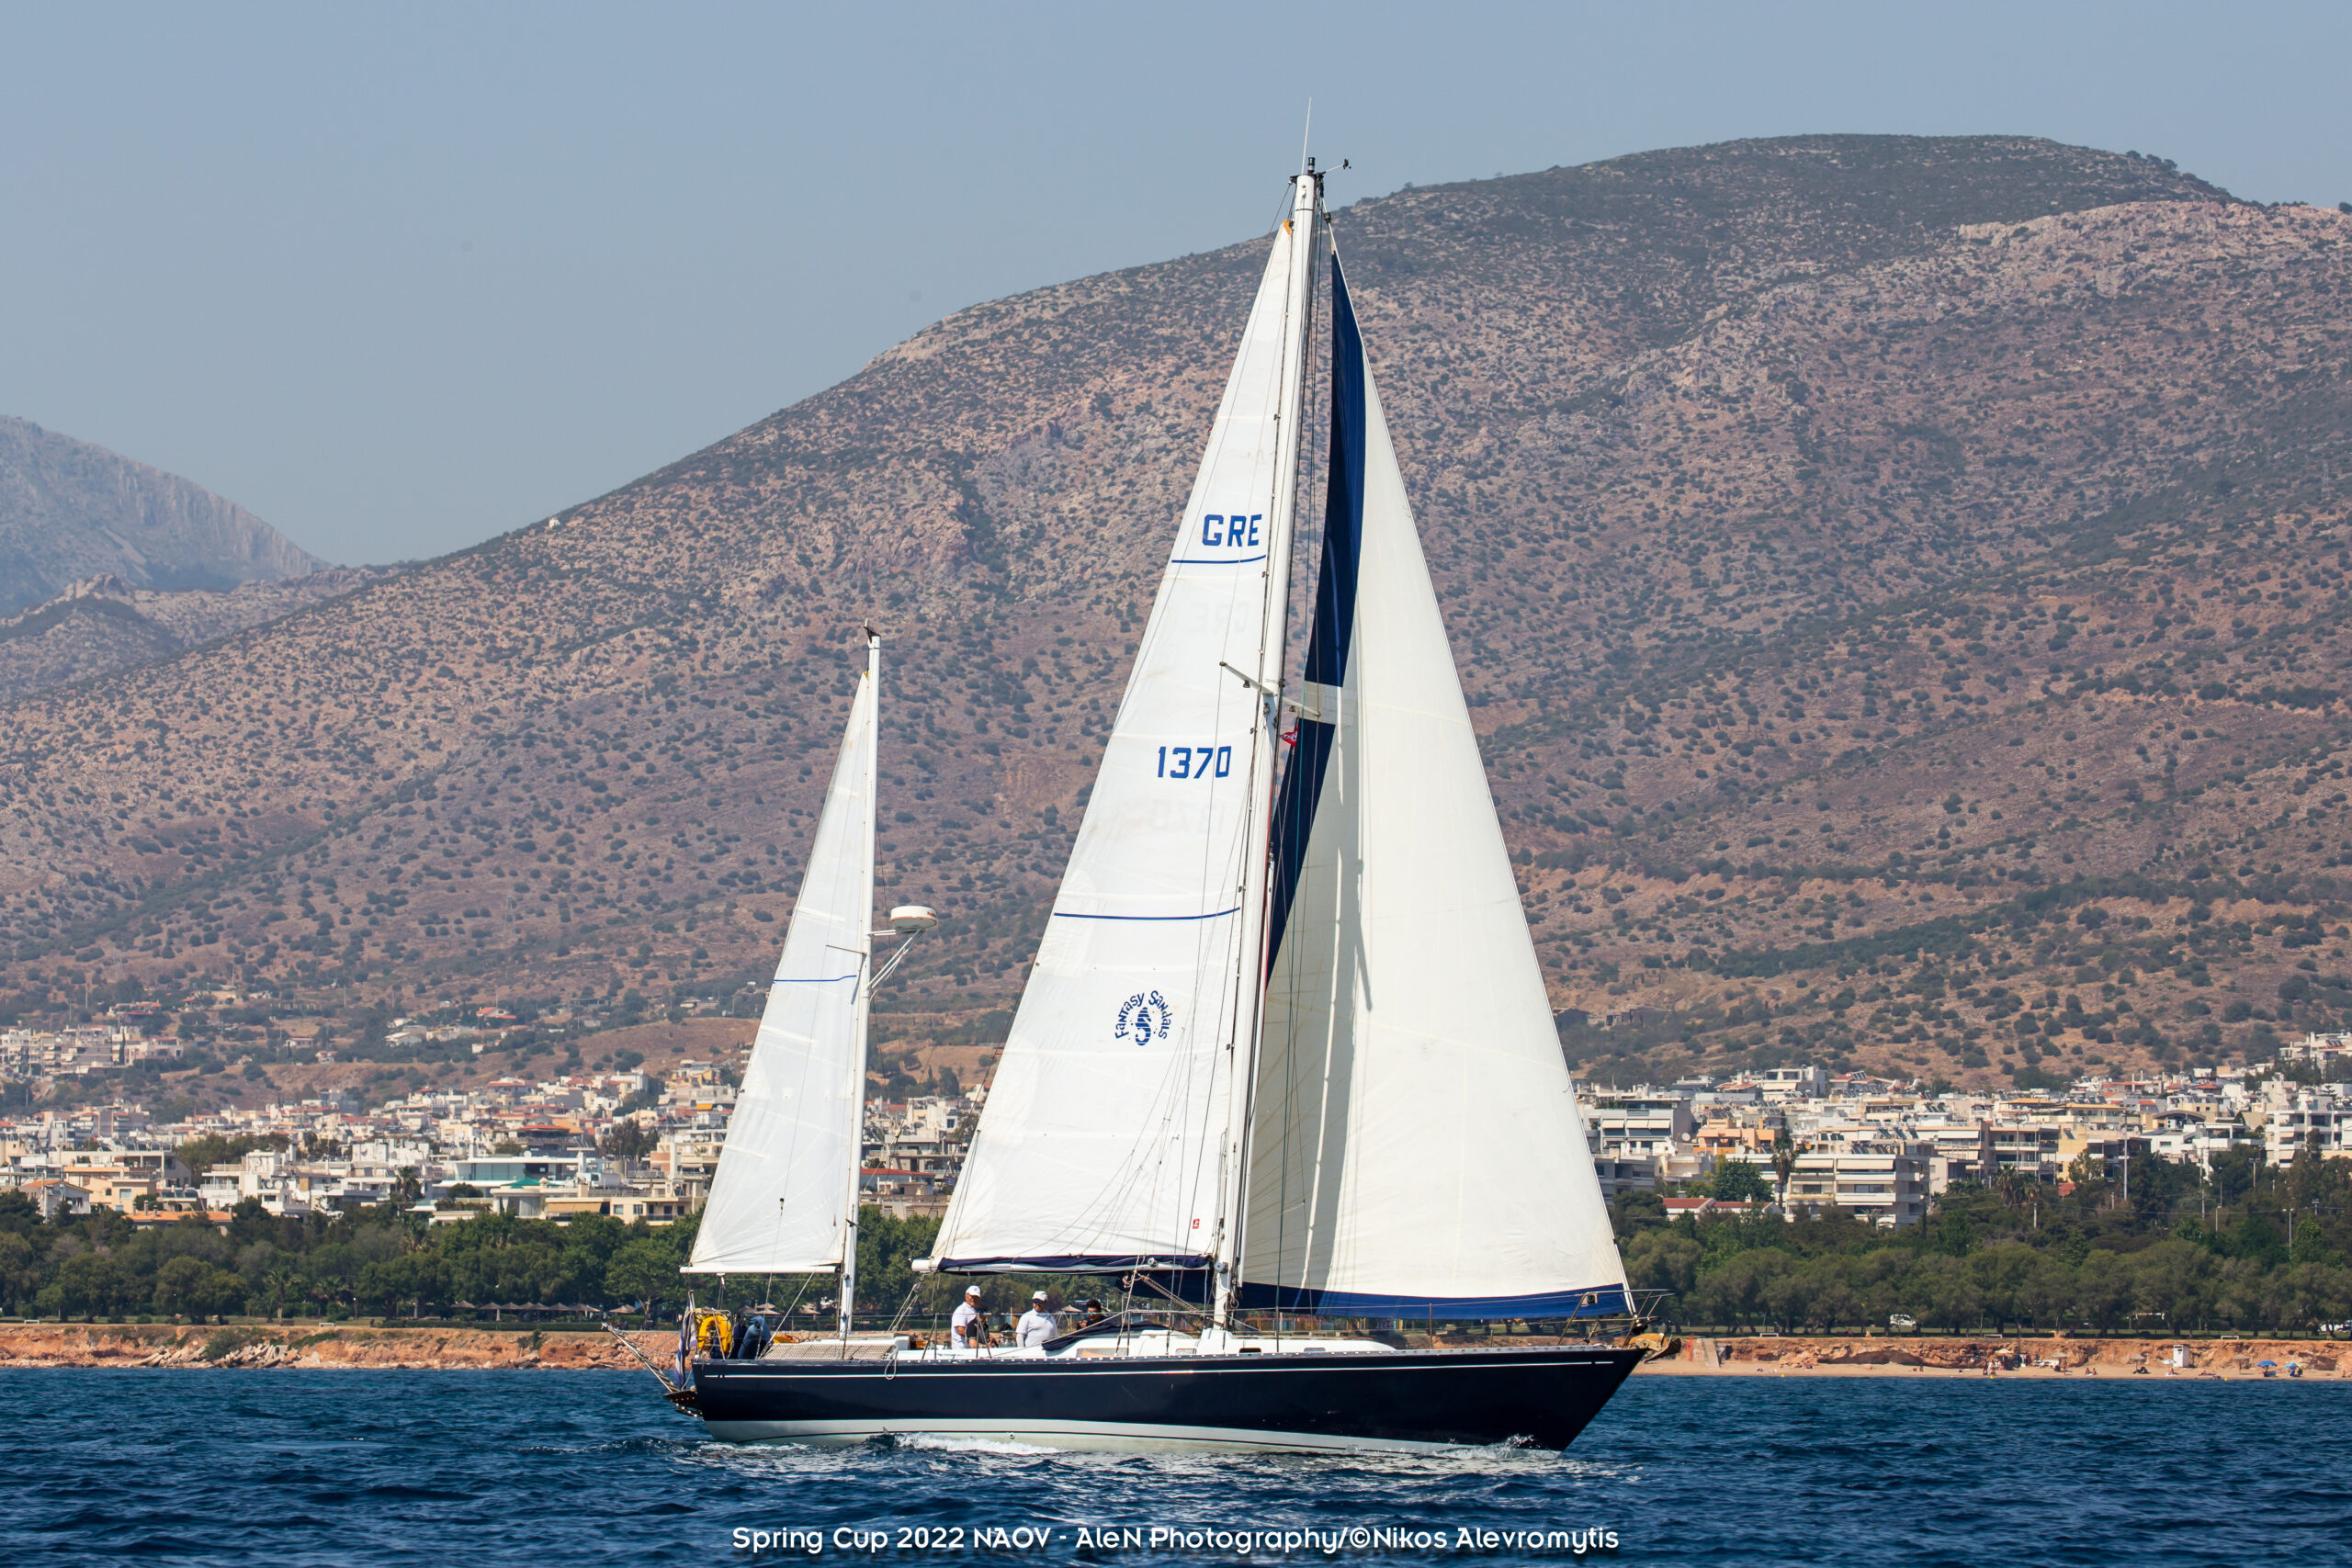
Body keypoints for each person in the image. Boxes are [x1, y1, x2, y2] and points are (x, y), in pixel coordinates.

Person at [951, 1285, 991, 1349]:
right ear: (966, 1296)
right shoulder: (961, 1309)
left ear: (979, 1298)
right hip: (961, 1349)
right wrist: (974, 1339)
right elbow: (961, 1330)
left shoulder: (975, 1310)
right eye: (971, 1296)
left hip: (972, 1350)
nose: (973, 1299)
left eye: (976, 1297)